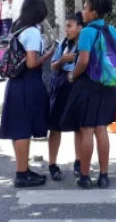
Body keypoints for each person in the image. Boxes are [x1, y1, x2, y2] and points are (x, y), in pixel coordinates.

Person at [61, 0, 116, 189]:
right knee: (101, 129)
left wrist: (73, 75)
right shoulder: (111, 30)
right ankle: (104, 176)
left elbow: (84, 60)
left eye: (86, 8)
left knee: (87, 129)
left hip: (89, 84)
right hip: (108, 85)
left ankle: (85, 176)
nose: (82, 11)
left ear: (94, 12)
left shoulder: (87, 32)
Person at [0, 0, 53, 188]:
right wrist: (48, 54)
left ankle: (23, 168)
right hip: (28, 83)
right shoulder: (32, 32)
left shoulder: (18, 26)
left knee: (18, 129)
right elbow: (31, 63)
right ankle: (21, 173)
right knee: (23, 130)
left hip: (16, 83)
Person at [47, 12, 84, 180]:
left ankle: (79, 162)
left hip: (77, 86)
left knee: (79, 128)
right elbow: (53, 66)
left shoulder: (85, 45)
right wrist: (63, 60)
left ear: (80, 28)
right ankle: (52, 164)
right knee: (55, 127)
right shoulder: (63, 44)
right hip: (61, 86)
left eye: (70, 26)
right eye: (66, 26)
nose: (66, 29)